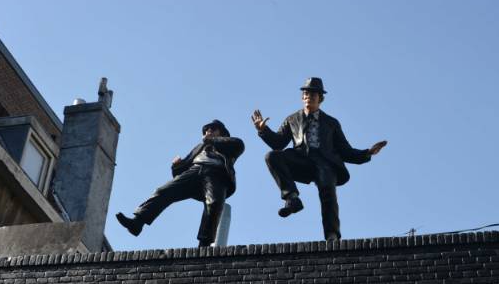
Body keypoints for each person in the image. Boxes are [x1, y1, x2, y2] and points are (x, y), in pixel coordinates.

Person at [251, 77, 386, 241]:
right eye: (306, 94)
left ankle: (332, 234)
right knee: (272, 156)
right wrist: (263, 130)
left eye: (313, 95)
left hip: (324, 163)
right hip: (301, 159)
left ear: (320, 99)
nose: (309, 97)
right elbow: (278, 143)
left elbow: (345, 150)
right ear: (302, 97)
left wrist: (367, 153)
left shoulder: (331, 123)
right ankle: (292, 199)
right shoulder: (292, 119)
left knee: (328, 192)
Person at [115, 119, 244, 247]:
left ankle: (204, 243)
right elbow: (182, 169)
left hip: (216, 173)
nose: (208, 131)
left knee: (213, 204)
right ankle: (137, 222)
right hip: (195, 170)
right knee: (164, 191)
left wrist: (211, 140)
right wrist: (176, 166)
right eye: (206, 129)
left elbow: (239, 145)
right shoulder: (199, 148)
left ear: (222, 132)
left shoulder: (230, 145)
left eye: (213, 128)